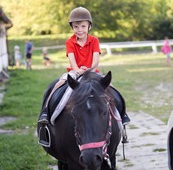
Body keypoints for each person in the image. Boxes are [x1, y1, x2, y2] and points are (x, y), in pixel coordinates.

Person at [38, 7, 130, 145]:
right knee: (57, 85)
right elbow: (72, 60)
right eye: (76, 27)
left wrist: (89, 69)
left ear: (89, 26)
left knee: (111, 88)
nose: (79, 30)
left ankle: (122, 115)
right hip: (75, 71)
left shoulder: (94, 41)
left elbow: (96, 60)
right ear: (72, 27)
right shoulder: (70, 42)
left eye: (83, 26)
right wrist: (78, 70)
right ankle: (46, 112)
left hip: (92, 71)